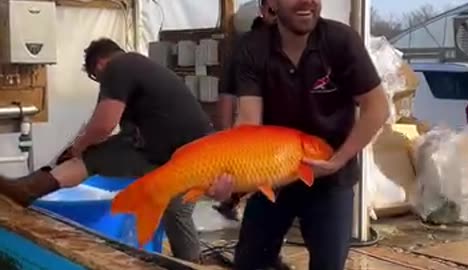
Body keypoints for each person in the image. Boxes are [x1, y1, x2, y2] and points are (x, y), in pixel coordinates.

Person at [208, 0, 390, 269]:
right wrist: (229, 181)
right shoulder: (253, 47)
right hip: (272, 177)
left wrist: (338, 161)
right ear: (271, 4)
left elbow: (377, 107)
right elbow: (249, 124)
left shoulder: (340, 41)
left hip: (331, 178)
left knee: (328, 265)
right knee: (250, 263)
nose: (308, 1)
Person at [0, 38, 215, 263]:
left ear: (100, 64)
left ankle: (28, 189)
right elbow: (112, 128)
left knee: (92, 157)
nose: (99, 82)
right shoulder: (140, 67)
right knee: (176, 210)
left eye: (95, 76)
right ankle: (190, 263)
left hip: (183, 153)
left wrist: (77, 148)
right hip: (191, 149)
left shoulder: (117, 67)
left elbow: (103, 125)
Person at [213, 0, 277, 221]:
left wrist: (224, 139)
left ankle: (234, 202)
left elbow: (225, 99)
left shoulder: (239, 46)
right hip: (270, 137)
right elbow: (227, 97)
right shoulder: (246, 48)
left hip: (258, 137)